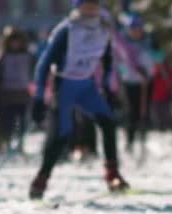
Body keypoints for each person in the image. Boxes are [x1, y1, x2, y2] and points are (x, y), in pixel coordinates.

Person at [29, 0, 130, 200]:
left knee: (108, 123)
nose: (92, 9)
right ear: (78, 7)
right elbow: (44, 64)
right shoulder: (67, 30)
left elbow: (108, 58)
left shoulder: (104, 28)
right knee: (62, 133)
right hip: (64, 84)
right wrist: (39, 97)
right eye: (87, 5)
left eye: (95, 4)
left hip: (86, 85)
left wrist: (109, 87)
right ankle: (41, 179)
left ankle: (112, 174)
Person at [116, 14, 154, 153]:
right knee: (132, 111)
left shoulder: (148, 41)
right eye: (133, 28)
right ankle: (130, 141)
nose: (136, 31)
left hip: (146, 82)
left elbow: (157, 57)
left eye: (138, 28)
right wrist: (134, 71)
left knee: (144, 111)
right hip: (130, 81)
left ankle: (142, 138)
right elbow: (121, 63)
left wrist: (147, 73)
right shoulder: (124, 43)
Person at [0, 28, 33, 154]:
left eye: (17, 41)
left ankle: (20, 146)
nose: (15, 44)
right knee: (7, 122)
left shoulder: (28, 56)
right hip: (7, 93)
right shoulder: (2, 57)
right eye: (12, 41)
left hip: (22, 93)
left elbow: (32, 73)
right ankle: (7, 143)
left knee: (22, 122)